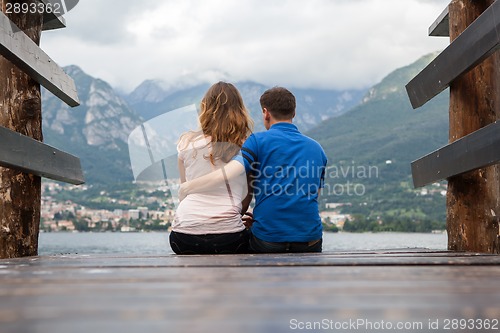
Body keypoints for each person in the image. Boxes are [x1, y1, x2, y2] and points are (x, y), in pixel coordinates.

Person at [180, 87, 328, 253]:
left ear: (265, 113)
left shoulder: (257, 141)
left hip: (268, 239)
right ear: (293, 113)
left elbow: (230, 172)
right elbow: (313, 195)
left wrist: (188, 187)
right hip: (310, 240)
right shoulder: (317, 149)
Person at [170, 82, 253, 255]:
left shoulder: (186, 143)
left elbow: (185, 191)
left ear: (205, 108)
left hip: (183, 237)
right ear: (239, 110)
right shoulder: (247, 145)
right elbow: (247, 197)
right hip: (229, 238)